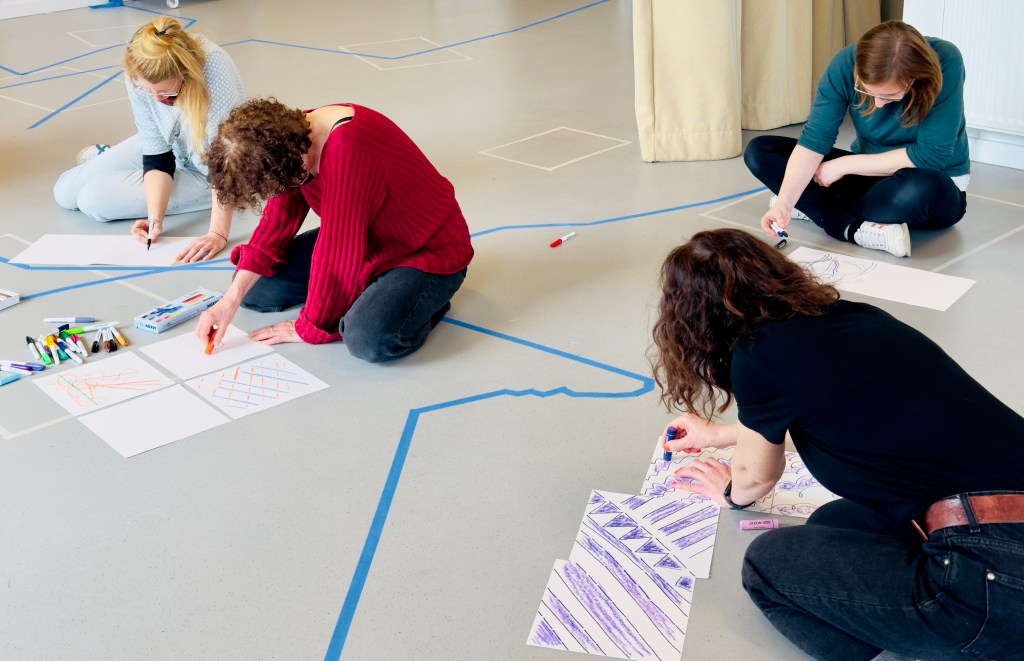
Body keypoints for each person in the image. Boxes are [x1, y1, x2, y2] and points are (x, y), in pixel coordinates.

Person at [651, 228, 1024, 660]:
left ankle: (956, 638)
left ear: (694, 318)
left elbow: (755, 479)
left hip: (995, 578)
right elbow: (840, 411)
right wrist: (720, 435)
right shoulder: (852, 318)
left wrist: (730, 491)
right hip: (1005, 525)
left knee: (766, 565)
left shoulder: (756, 356)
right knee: (833, 524)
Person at [195, 98, 473, 361]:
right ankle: (371, 290)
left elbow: (338, 254)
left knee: (366, 338)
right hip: (367, 236)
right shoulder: (283, 141)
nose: (292, 187)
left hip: (423, 248)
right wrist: (229, 302)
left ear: (296, 155)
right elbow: (277, 223)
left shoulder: (348, 148)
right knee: (255, 288)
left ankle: (424, 303)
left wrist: (310, 325)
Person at [744, 20, 969, 258]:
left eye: (890, 95)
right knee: (760, 151)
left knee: (923, 188)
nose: (878, 104)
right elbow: (814, 140)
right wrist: (784, 204)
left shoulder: (946, 60)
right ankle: (850, 227)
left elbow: (930, 156)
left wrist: (843, 165)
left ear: (915, 79)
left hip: (927, 181)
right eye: (867, 91)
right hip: (867, 177)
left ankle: (816, 207)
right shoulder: (845, 62)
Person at [52, 17, 244, 263]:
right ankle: (111, 158)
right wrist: (155, 218)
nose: (157, 100)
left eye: (167, 93)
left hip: (210, 170)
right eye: (149, 91)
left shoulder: (215, 67)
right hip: (173, 144)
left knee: (92, 200)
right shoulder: (139, 70)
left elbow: (225, 163)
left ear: (186, 75)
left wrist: (217, 233)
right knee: (65, 192)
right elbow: (157, 153)